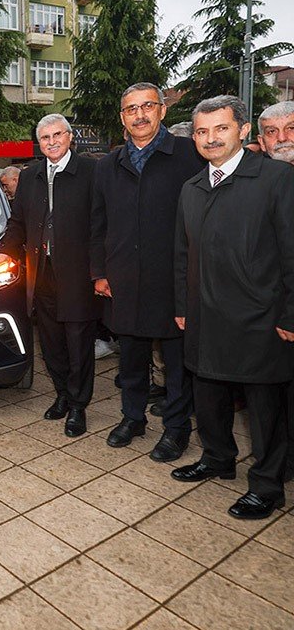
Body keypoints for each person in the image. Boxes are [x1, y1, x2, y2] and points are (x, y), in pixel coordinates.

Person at [172, 96, 294, 520]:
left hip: (259, 319)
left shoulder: (275, 179)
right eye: (202, 132)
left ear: (243, 130)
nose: (210, 139)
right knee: (208, 396)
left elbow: (292, 252)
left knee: (265, 411)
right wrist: (181, 306)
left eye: (220, 128)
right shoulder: (191, 187)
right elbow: (181, 253)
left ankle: (267, 485)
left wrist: (290, 314)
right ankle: (217, 459)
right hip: (204, 316)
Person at [90, 83, 204, 461]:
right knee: (131, 358)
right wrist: (99, 273)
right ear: (122, 117)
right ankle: (132, 417)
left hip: (174, 279)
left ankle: (176, 429)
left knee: (176, 364)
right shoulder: (108, 165)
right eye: (130, 109)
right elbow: (98, 224)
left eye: (147, 107)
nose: (139, 115)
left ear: (162, 111)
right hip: (124, 279)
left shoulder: (190, 155)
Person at [0, 115, 100, 437]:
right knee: (50, 343)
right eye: (45, 137)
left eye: (57, 135)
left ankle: (78, 405)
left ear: (70, 137)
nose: (51, 142)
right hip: (41, 274)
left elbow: (102, 224)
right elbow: (17, 223)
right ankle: (62, 394)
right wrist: (4, 251)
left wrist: (101, 271)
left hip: (78, 275)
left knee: (78, 344)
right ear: (39, 142)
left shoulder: (91, 172)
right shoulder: (30, 175)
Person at [258, 100, 294, 479]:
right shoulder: (256, 183)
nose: (283, 139)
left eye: (291, 128)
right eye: (273, 131)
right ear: (262, 140)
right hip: (269, 314)